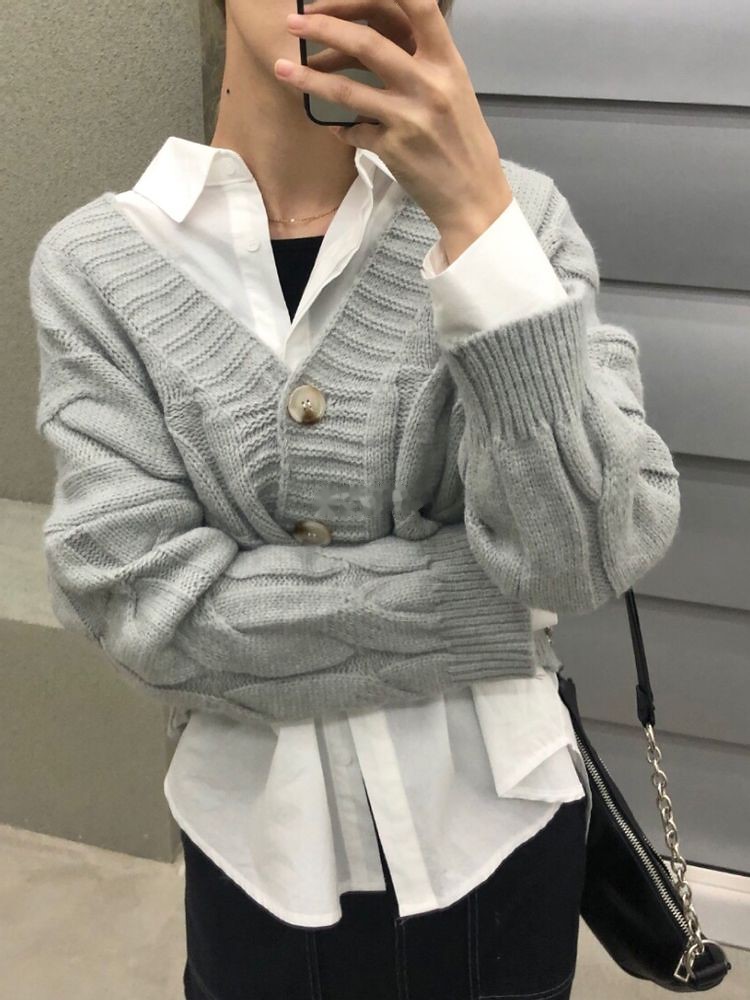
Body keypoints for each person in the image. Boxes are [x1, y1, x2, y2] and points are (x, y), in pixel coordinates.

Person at [29, 1, 682, 998]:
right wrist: (484, 614)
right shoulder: (97, 268)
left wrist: (479, 227)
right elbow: (144, 609)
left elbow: (587, 551)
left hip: (504, 841)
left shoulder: (520, 219)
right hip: (253, 851)